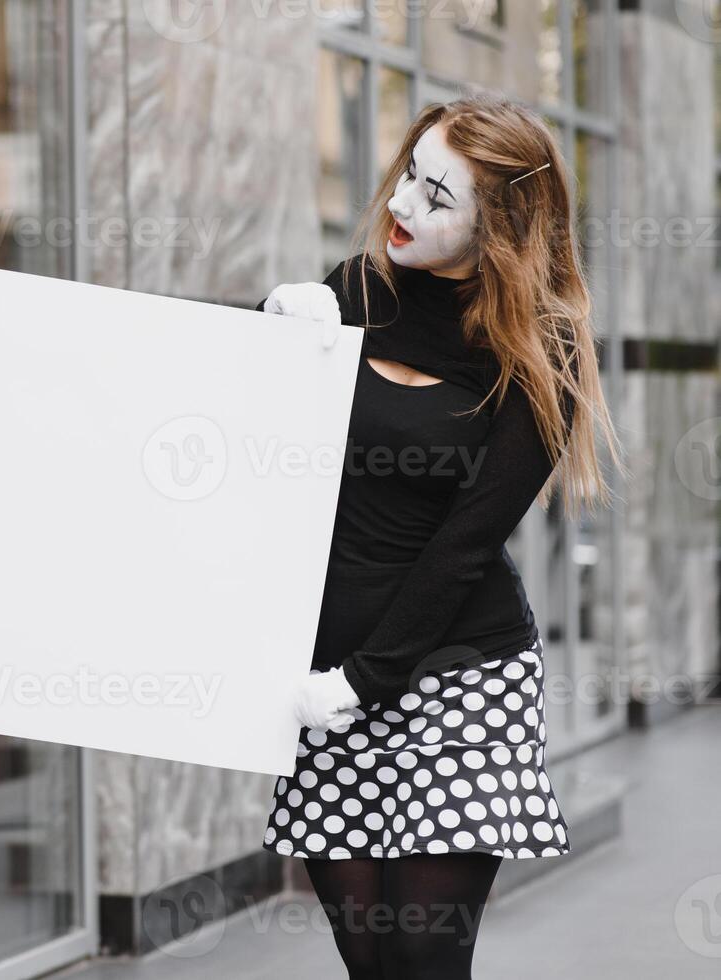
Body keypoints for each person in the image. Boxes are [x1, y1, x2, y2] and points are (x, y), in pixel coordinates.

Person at [257, 94, 623, 979]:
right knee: (372, 958)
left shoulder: (544, 349)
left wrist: (360, 683)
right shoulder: (354, 289)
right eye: (410, 175)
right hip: (326, 682)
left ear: (499, 228)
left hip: (460, 677)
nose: (403, 206)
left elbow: (466, 544)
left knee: (423, 955)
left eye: (437, 196)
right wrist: (264, 321)